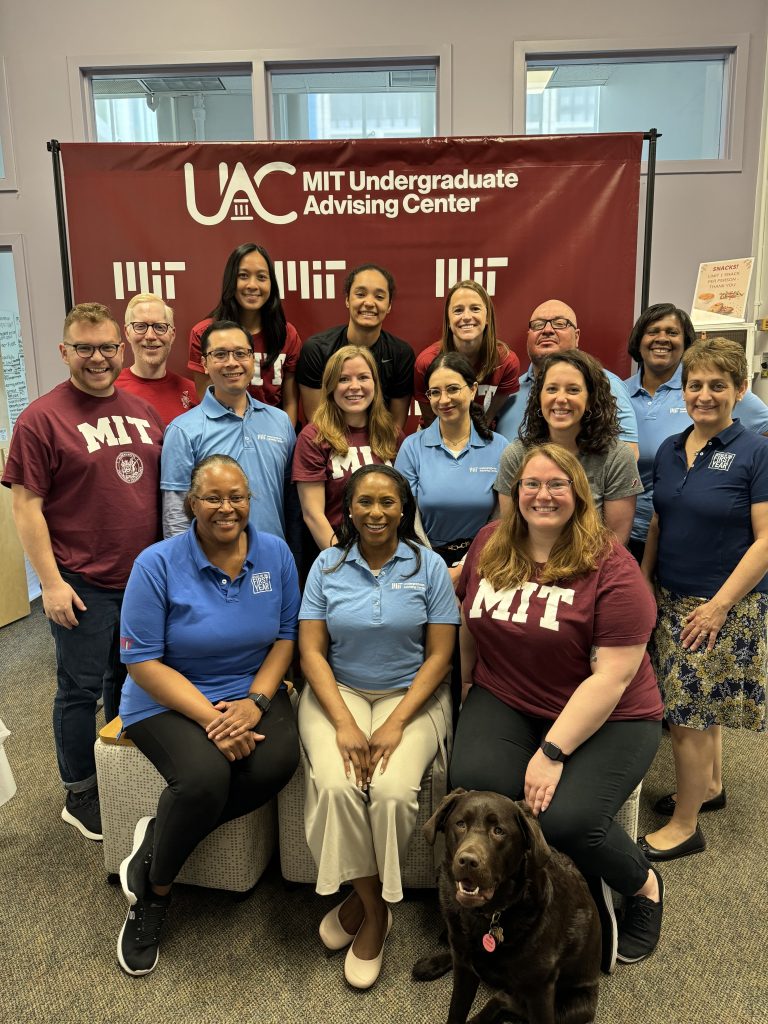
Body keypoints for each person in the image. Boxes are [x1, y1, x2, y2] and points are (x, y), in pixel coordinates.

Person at [451, 443, 664, 970]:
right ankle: (508, 898)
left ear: (579, 494)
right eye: (531, 484)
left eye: (556, 485)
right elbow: (468, 626)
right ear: (514, 492)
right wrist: (463, 696)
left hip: (612, 713)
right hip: (509, 695)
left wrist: (552, 751)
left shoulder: (611, 567)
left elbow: (611, 677)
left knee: (569, 821)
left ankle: (643, 887)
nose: (542, 495)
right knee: (475, 788)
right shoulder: (490, 543)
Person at [115, 454, 300, 976]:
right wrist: (212, 720)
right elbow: (141, 661)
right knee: (203, 780)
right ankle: (154, 895)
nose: (227, 507)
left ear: (250, 499)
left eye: (237, 496)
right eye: (213, 497)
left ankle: (155, 838)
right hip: (168, 696)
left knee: (275, 764)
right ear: (191, 503)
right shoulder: (156, 563)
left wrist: (256, 703)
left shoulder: (276, 554)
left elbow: (286, 637)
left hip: (250, 690)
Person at [1, 302, 163, 841]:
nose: (97, 358)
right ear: (64, 351)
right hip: (82, 583)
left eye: (107, 347)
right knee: (79, 689)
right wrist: (49, 583)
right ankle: (80, 790)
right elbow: (25, 506)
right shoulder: (41, 419)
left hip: (141, 581)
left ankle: (117, 771)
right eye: (85, 348)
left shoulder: (141, 410)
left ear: (122, 349)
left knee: (129, 678)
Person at [298, 465, 458, 989]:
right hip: (338, 693)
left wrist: (395, 723)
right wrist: (344, 724)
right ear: (348, 510)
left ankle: (366, 903)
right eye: (364, 502)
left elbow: (440, 656)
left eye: (387, 503)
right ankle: (376, 911)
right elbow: (312, 653)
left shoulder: (429, 566)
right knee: (339, 784)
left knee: (390, 791)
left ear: (403, 509)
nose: (375, 513)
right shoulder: (326, 564)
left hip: (411, 696)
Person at [639, 338, 768, 861]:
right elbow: (661, 520)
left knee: (686, 715)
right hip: (671, 595)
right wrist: (645, 578)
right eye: (695, 384)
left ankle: (686, 824)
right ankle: (709, 787)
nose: (705, 394)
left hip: (724, 606)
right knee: (699, 706)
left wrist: (717, 607)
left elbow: (766, 541)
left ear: (740, 389)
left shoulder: (757, 451)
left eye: (718, 385)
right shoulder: (672, 448)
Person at [624, 303, 768, 562]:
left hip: (703, 541)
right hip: (631, 534)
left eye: (672, 332)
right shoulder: (619, 393)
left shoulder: (712, 388)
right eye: (653, 331)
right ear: (639, 340)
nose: (662, 339)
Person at [161, 320, 295, 541]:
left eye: (240, 353)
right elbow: (175, 514)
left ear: (252, 359)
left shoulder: (280, 422)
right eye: (220, 354)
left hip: (271, 561)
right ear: (204, 363)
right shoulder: (183, 430)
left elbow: (292, 504)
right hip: (209, 567)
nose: (232, 363)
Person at [495, 350, 642, 545]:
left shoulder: (617, 457)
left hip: (596, 570)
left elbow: (615, 541)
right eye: (552, 389)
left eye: (573, 390)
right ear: (539, 397)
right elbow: (510, 530)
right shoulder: (516, 455)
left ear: (590, 399)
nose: (561, 398)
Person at [395, 352, 507, 585]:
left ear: (473, 389)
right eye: (435, 392)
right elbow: (407, 517)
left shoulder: (499, 447)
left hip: (484, 561)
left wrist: (465, 567)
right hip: (422, 562)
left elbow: (502, 518)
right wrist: (434, 567)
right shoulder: (412, 447)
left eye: (453, 389)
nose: (444, 400)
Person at [292, 345, 401, 552]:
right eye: (343, 379)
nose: (354, 386)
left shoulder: (391, 434)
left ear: (375, 384)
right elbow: (313, 515)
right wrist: (344, 563)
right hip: (337, 553)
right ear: (331, 386)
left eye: (363, 377)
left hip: (389, 555)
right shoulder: (313, 437)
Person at [495, 298, 639, 453]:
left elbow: (628, 453)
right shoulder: (509, 392)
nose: (547, 330)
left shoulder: (606, 384)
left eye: (559, 323)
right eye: (538, 324)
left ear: (576, 336)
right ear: (528, 336)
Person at [188, 243, 302, 425]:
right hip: (222, 433)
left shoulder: (286, 334)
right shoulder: (204, 333)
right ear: (230, 281)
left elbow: (290, 402)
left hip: (273, 434)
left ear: (271, 283)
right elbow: (206, 401)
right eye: (243, 276)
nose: (252, 285)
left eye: (262, 277)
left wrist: (283, 441)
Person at [296, 264, 414, 430]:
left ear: (389, 306)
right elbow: (317, 424)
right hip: (328, 446)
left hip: (380, 448)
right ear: (347, 299)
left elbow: (394, 429)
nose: (369, 303)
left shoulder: (401, 355)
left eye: (379, 297)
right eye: (360, 294)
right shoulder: (316, 349)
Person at [413, 280, 519, 428]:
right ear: (448, 321)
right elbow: (431, 420)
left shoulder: (506, 361)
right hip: (436, 431)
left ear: (487, 317)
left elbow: (488, 418)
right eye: (458, 310)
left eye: (475, 309)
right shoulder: (427, 362)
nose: (467, 316)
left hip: (482, 432)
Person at [116, 292, 198, 425]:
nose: (150, 336)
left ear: (172, 334)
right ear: (127, 332)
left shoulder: (194, 393)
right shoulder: (110, 389)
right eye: (140, 326)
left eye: (159, 327)